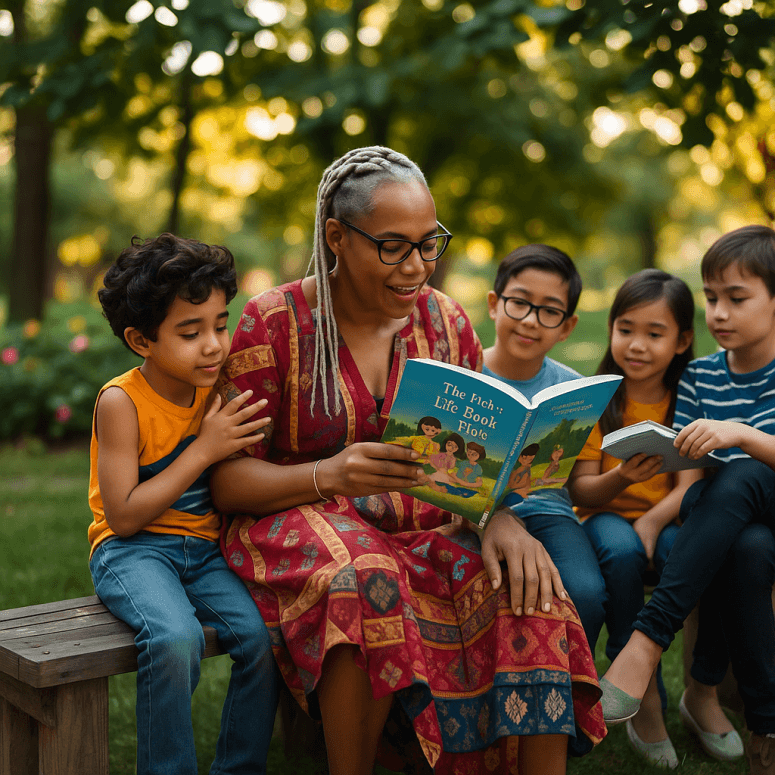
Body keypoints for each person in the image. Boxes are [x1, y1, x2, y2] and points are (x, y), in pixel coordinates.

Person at [210, 146, 605, 775]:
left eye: (430, 244)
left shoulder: (446, 323)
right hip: (298, 517)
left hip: (427, 522)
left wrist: (499, 519)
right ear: (336, 237)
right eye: (393, 246)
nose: (417, 266)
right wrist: (327, 474)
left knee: (533, 586)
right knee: (366, 576)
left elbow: (481, 463)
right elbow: (228, 482)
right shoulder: (274, 324)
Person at [87, 234, 279, 775]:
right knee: (175, 640)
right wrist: (203, 450)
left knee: (262, 640)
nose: (214, 345)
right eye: (190, 333)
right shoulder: (121, 402)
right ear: (141, 339)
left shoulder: (215, 387)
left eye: (220, 324)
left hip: (203, 550)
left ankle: (239, 768)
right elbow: (123, 516)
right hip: (133, 554)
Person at [598, 225, 775, 775]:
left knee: (742, 471)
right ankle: (764, 725)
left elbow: (739, 460)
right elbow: (694, 483)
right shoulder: (698, 375)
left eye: (736, 298)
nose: (719, 313)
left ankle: (648, 639)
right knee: (746, 547)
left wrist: (740, 434)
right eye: (712, 298)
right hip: (728, 521)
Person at [566, 269, 740, 768]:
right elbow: (583, 489)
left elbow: (690, 486)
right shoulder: (599, 399)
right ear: (611, 329)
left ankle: (700, 690)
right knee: (620, 553)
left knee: (698, 556)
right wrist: (623, 479)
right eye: (626, 329)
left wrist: (652, 522)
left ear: (683, 339)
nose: (637, 345)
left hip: (670, 518)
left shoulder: (690, 396)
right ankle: (644, 702)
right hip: (604, 517)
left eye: (654, 333)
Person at [483, 244, 608, 664]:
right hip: (471, 513)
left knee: (585, 592)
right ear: (493, 305)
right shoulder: (463, 372)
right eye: (519, 303)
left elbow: (580, 482)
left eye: (549, 311)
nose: (531, 321)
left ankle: (571, 709)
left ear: (567, 326)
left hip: (548, 511)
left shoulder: (573, 389)